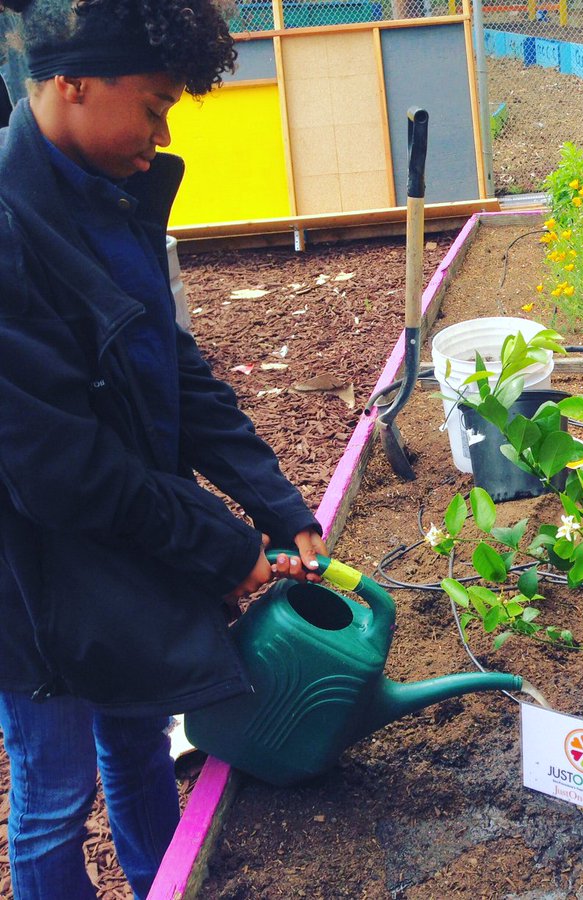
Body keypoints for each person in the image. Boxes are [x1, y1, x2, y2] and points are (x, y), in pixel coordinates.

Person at [0, 0, 329, 896]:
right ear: (72, 85)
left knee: (139, 743)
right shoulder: (9, 231)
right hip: (33, 581)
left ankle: (162, 884)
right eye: (152, 106)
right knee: (53, 799)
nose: (160, 132)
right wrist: (219, 547)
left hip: (125, 541)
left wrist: (273, 501)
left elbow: (170, 367)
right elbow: (56, 469)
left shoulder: (110, 198)